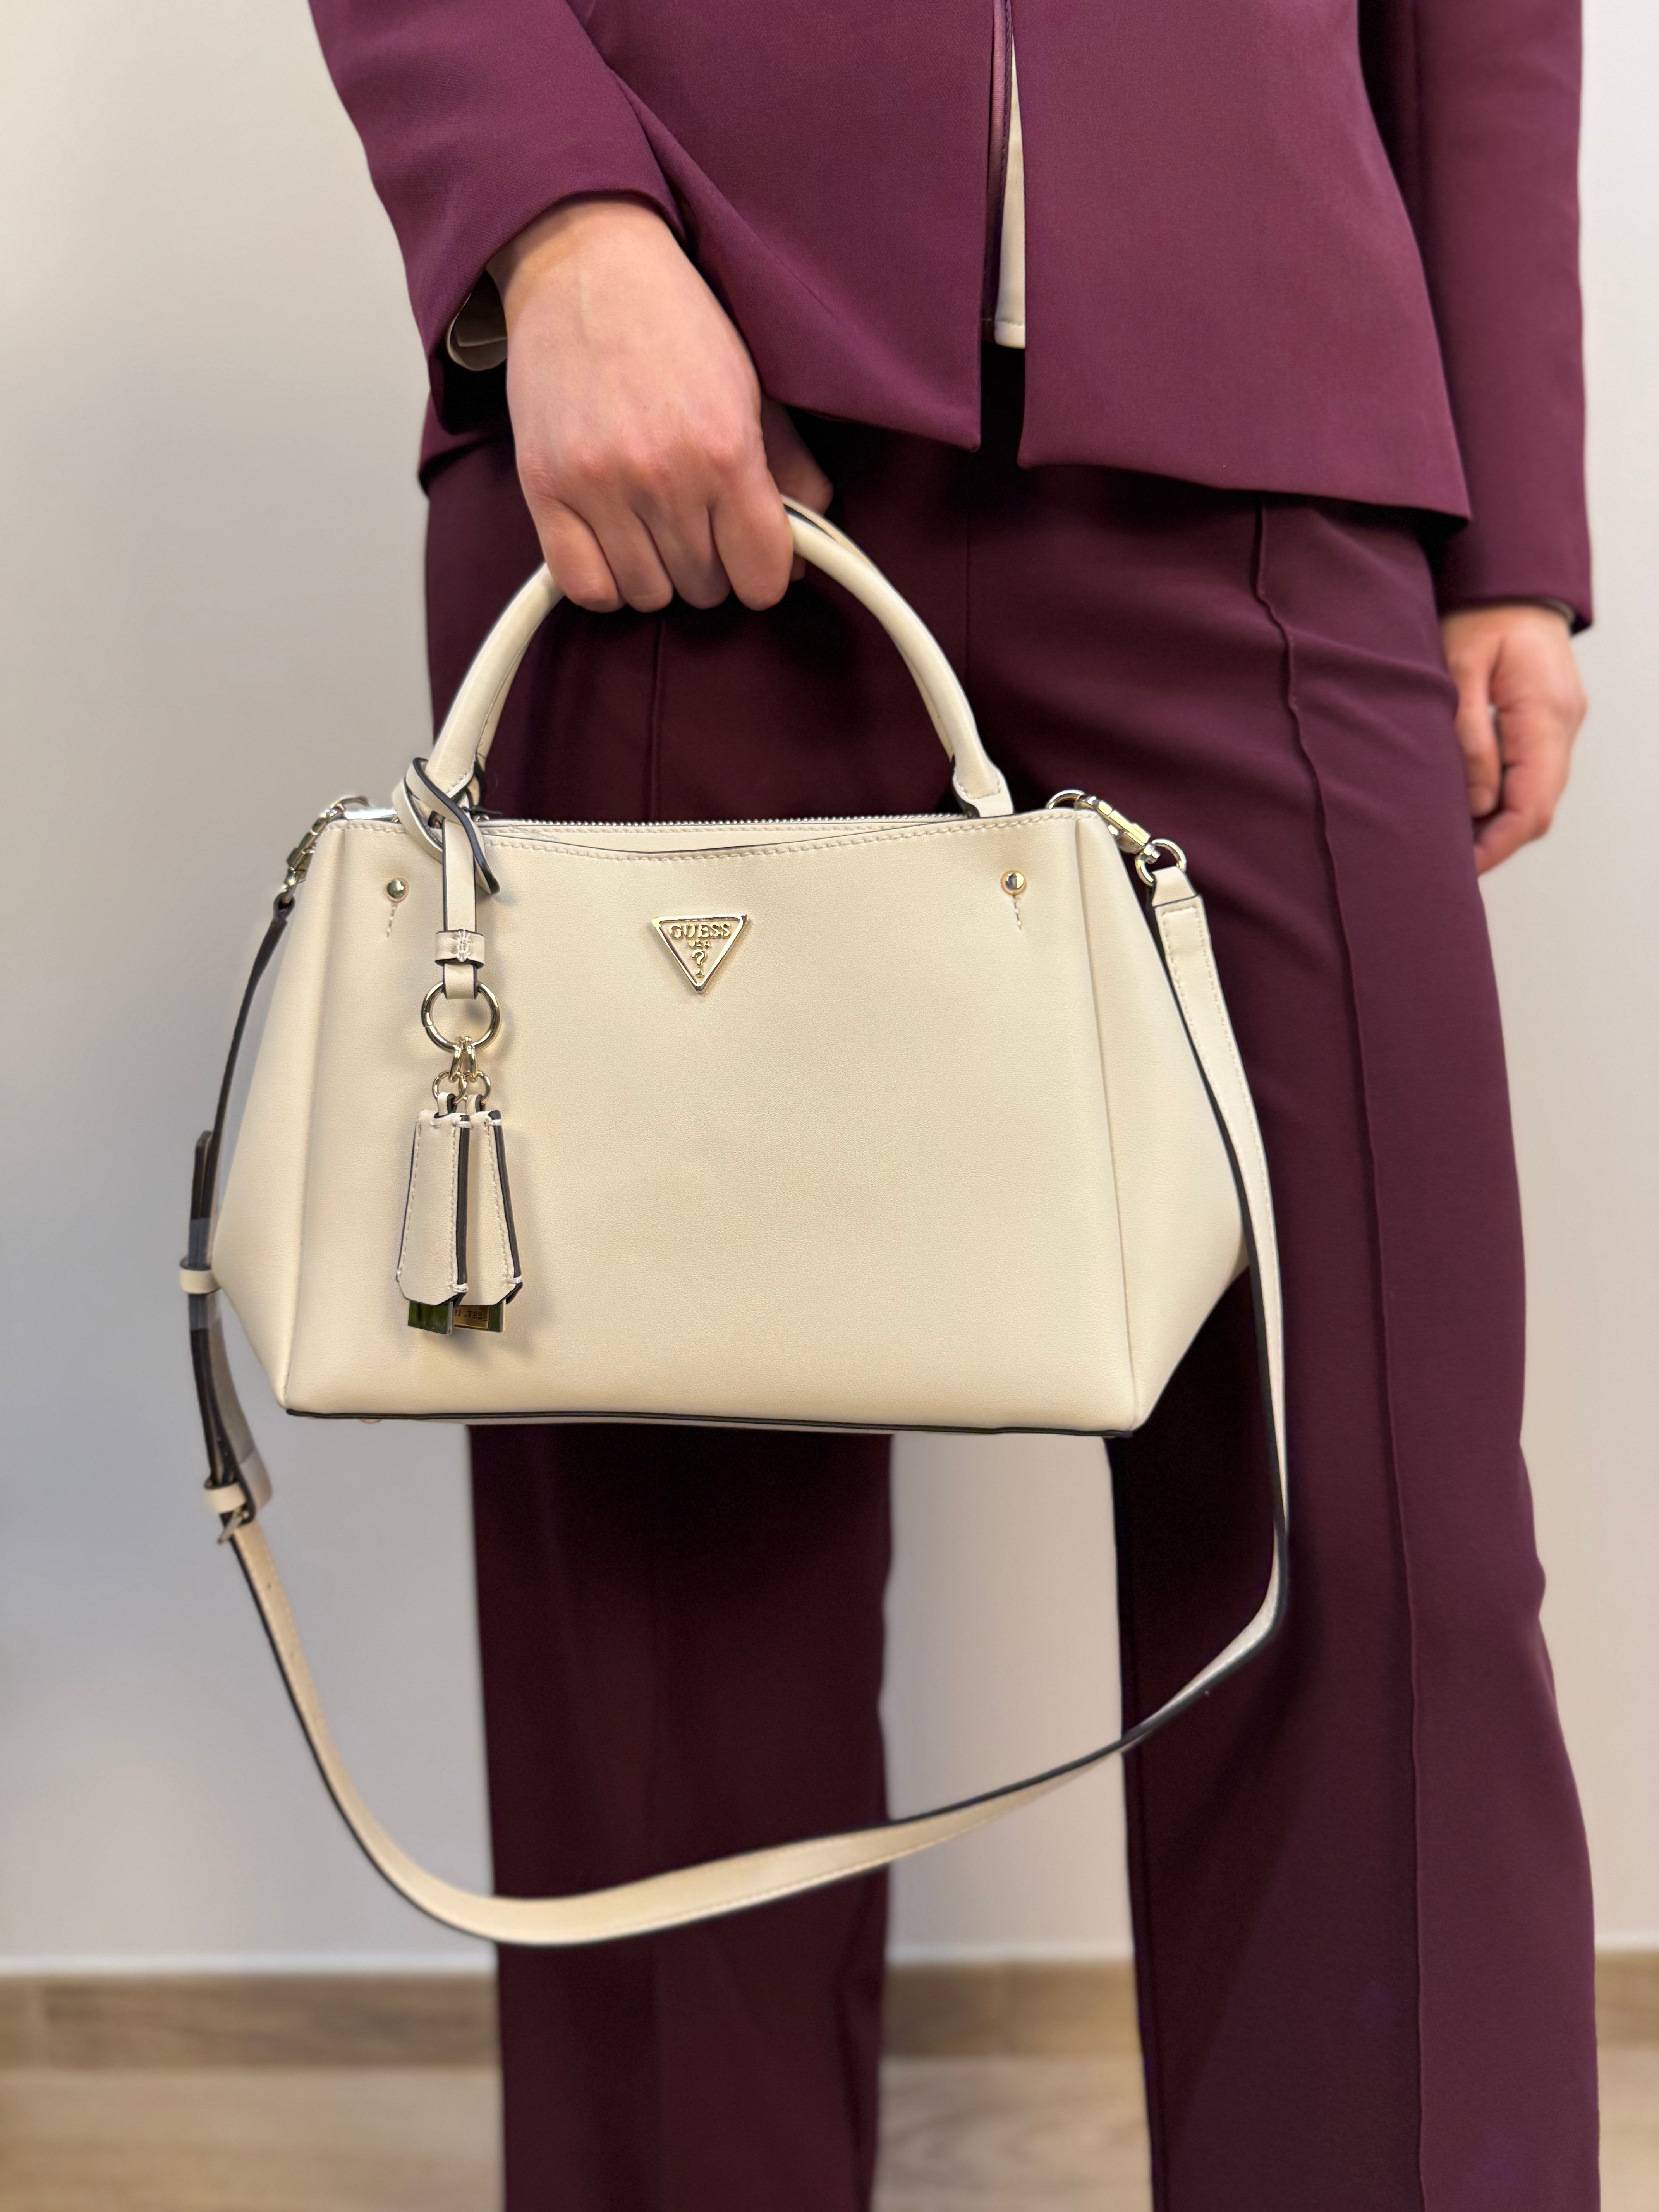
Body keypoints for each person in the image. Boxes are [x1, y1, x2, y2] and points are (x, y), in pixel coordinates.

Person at [308, 4, 1596, 2207]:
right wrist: (550, 220)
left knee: (1380, 1548)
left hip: (1276, 411)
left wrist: (1512, 527)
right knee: (678, 1599)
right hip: (675, 449)